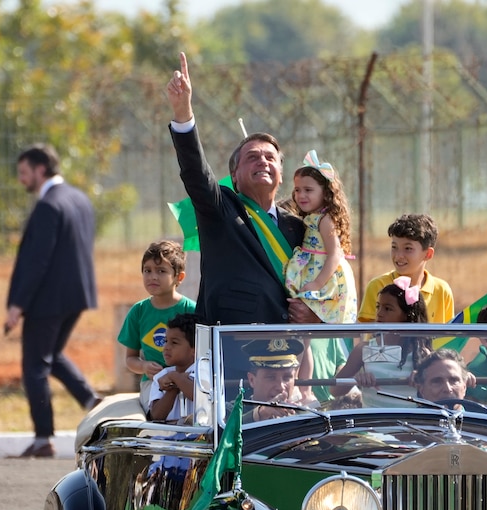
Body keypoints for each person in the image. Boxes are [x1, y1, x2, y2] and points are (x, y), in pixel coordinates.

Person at [164, 52, 319, 327]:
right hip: (232, 342)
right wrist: (183, 113)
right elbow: (196, 172)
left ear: (281, 175)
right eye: (252, 157)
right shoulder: (221, 208)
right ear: (234, 176)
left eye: (270, 158)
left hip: (286, 349)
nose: (263, 161)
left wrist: (316, 314)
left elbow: (319, 279)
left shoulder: (298, 227)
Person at [4, 143, 102, 458]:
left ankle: (43, 437)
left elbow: (37, 260)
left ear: (40, 169)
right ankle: (93, 402)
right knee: (51, 354)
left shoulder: (48, 204)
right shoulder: (79, 198)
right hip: (77, 295)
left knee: (34, 365)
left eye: (24, 172)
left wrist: (18, 304)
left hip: (48, 300)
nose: (22, 180)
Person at [117, 240, 196, 410]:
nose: (153, 276)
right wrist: (144, 367)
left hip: (188, 380)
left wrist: (180, 378)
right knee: (158, 415)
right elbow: (130, 359)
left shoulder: (192, 310)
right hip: (152, 384)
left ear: (179, 277)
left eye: (161, 271)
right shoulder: (138, 311)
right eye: (147, 271)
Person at [283, 150, 357, 324]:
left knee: (308, 328)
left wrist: (317, 284)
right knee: (302, 332)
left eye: (308, 190)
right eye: (297, 190)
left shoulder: (324, 219)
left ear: (325, 193)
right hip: (313, 273)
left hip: (323, 277)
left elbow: (335, 253)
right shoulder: (313, 217)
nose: (301, 195)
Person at [335, 277, 433, 406]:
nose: (379, 313)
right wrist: (356, 380)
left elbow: (435, 394)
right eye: (378, 307)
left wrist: (423, 381)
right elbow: (335, 390)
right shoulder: (363, 349)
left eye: (387, 308)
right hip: (372, 423)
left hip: (410, 424)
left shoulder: (422, 354)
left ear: (407, 315)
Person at [357, 213, 454, 324]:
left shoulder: (442, 291)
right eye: (394, 247)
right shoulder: (377, 286)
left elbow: (448, 338)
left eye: (408, 248)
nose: (398, 255)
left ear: (428, 254)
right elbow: (370, 335)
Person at [236, 338, 306, 423]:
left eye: (287, 377)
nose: (280, 387)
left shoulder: (302, 416)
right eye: (271, 377)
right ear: (252, 380)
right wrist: (261, 413)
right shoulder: (233, 412)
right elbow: (227, 432)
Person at [148, 313, 201, 421]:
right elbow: (157, 416)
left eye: (174, 343)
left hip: (198, 435)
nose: (166, 347)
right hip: (169, 435)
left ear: (195, 349)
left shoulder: (203, 370)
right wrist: (173, 387)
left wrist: (174, 377)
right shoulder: (161, 376)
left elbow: (199, 396)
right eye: (166, 341)